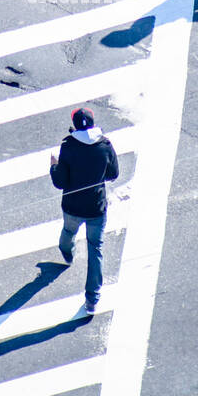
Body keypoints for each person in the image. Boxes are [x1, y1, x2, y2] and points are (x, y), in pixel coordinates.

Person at [50, 107, 120, 315]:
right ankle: (92, 298)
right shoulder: (105, 145)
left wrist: (54, 166)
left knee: (68, 232)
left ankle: (66, 252)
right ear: (92, 122)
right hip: (96, 208)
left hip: (72, 205)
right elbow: (113, 173)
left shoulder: (68, 146)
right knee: (95, 249)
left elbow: (60, 181)